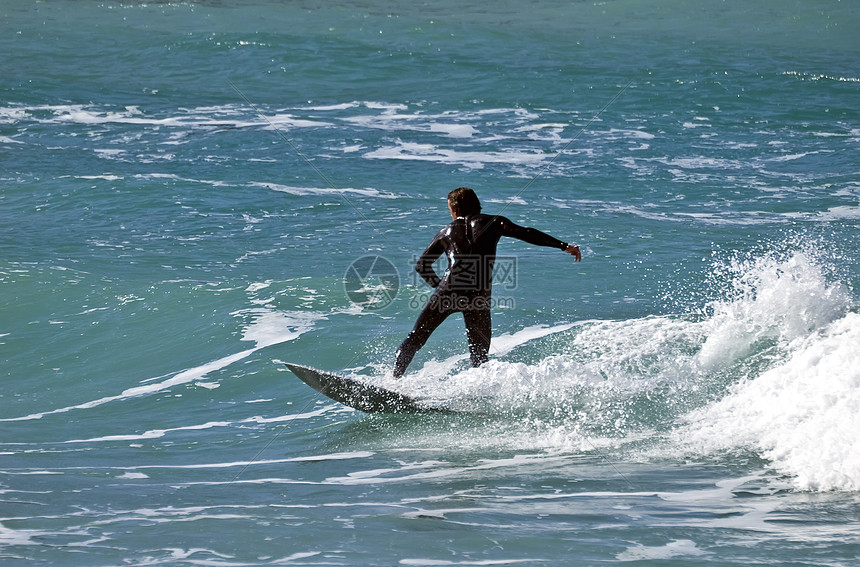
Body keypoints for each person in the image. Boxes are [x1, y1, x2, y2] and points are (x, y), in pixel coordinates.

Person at [393, 187, 581, 378]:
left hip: (448, 292)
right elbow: (526, 233)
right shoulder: (494, 222)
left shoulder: (445, 232)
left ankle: (393, 380)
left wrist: (442, 288)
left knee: (416, 337)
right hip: (478, 294)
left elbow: (422, 266)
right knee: (479, 354)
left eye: (450, 208)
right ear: (476, 205)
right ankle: (478, 392)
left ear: (455, 209)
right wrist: (563, 246)